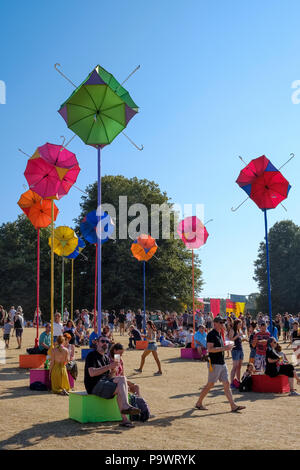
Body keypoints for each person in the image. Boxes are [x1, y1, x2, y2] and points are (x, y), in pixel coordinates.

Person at [195, 316, 246, 412]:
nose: (223, 324)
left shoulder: (219, 333)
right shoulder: (211, 334)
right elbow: (210, 349)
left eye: (223, 322)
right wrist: (224, 348)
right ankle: (198, 403)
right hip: (215, 363)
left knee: (226, 384)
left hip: (222, 363)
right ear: (215, 323)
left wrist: (227, 346)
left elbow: (220, 347)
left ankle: (233, 405)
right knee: (210, 385)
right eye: (221, 322)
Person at [84, 336, 140, 422]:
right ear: (97, 343)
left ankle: (125, 418)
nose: (105, 343)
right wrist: (109, 366)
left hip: (104, 383)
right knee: (121, 387)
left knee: (122, 379)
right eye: (102, 341)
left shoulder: (106, 358)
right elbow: (92, 373)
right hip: (94, 386)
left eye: (107, 342)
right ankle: (125, 409)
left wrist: (113, 371)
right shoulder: (92, 355)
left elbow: (109, 377)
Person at [229, 319, 246, 388]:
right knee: (235, 366)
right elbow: (230, 339)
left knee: (239, 366)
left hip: (240, 349)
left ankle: (238, 380)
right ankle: (232, 382)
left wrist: (243, 339)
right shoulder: (232, 330)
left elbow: (239, 339)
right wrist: (238, 335)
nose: (241, 325)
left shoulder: (239, 330)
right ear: (236, 324)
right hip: (235, 350)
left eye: (241, 324)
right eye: (240, 324)